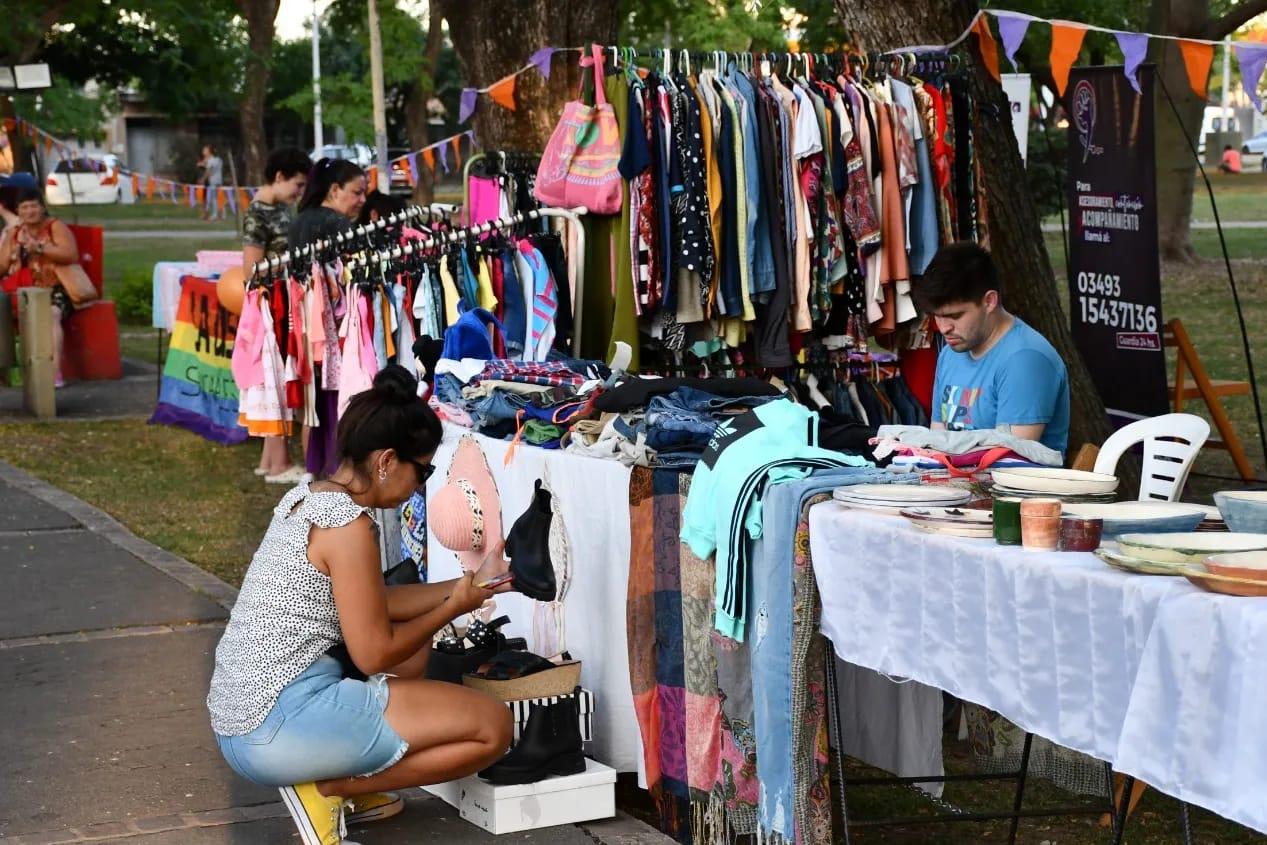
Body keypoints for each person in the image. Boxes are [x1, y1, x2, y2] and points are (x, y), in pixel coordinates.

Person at [207, 365, 514, 845]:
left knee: (413, 654)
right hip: (278, 726)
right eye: (424, 470)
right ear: (387, 460)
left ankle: (338, 773)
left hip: (241, 722)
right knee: (492, 728)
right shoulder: (350, 528)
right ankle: (332, 787)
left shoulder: (309, 498)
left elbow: (377, 601)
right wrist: (454, 607)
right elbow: (374, 653)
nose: (421, 485)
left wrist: (474, 583)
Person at [913, 242, 1070, 456]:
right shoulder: (951, 352)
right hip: (958, 481)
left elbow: (1012, 460)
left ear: (989, 301)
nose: (943, 328)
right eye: (937, 316)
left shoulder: (1026, 360)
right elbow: (937, 440)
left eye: (955, 316)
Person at [242, 147, 313, 483]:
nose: (299, 193)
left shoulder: (281, 209)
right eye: (297, 185)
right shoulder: (259, 214)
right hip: (272, 304)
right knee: (276, 379)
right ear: (280, 177)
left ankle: (271, 459)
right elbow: (251, 269)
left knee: (278, 379)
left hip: (285, 297)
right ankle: (279, 463)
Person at [0, 188, 81, 388]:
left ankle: (54, 374)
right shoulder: (14, 234)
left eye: (34, 206)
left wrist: (41, 248)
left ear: (42, 207)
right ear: (18, 211)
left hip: (54, 289)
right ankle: (5, 374)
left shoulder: (55, 227)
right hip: (21, 290)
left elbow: (71, 255)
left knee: (51, 314)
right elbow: (2, 266)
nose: (30, 211)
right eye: (24, 207)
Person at [289, 158, 367, 248]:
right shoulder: (339, 223)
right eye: (357, 193)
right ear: (335, 190)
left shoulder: (297, 221)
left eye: (364, 193)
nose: (363, 200)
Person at [199, 145, 225, 221]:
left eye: (205, 150)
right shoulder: (219, 159)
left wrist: (203, 179)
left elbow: (208, 171)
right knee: (219, 197)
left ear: (209, 152)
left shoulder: (211, 161)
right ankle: (222, 215)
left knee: (214, 198)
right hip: (219, 180)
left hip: (213, 181)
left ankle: (214, 215)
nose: (203, 151)